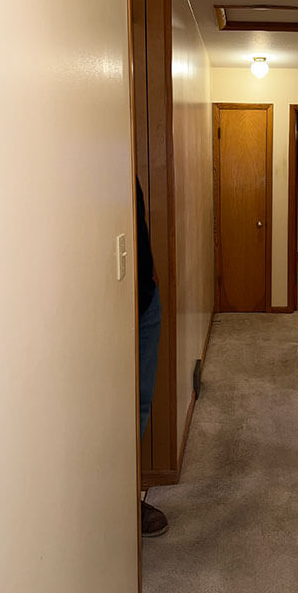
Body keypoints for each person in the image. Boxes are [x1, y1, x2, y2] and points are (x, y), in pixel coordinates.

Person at [136, 177, 169, 537]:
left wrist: (152, 269)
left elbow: (138, 225)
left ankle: (129, 495)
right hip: (112, 306)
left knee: (141, 403)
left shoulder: (126, 169)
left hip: (146, 300)